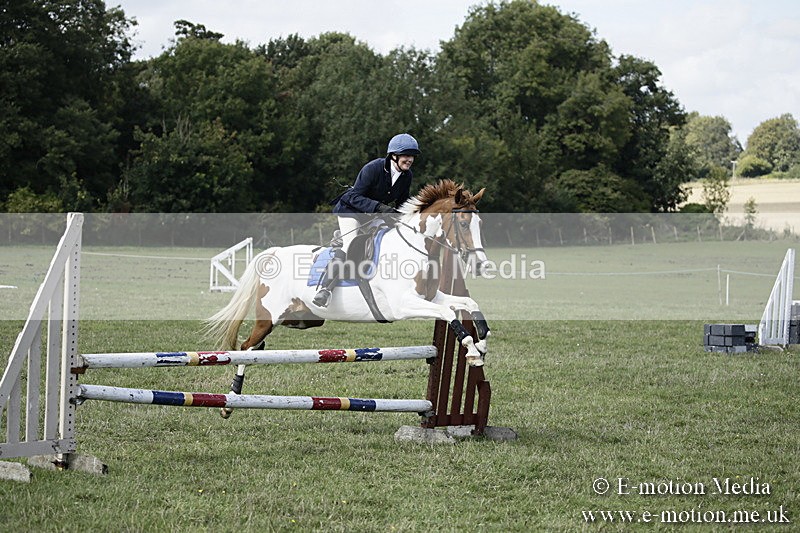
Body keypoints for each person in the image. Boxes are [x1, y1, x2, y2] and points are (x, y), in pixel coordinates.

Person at [312, 133, 420, 308]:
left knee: (389, 239)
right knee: (349, 246)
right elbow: (353, 196)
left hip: (373, 216)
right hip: (351, 212)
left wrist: (411, 217)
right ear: (394, 155)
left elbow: (402, 203)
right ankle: (325, 289)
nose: (410, 160)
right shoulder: (373, 168)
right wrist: (380, 208)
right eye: (406, 155)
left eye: (412, 156)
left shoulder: (407, 176)